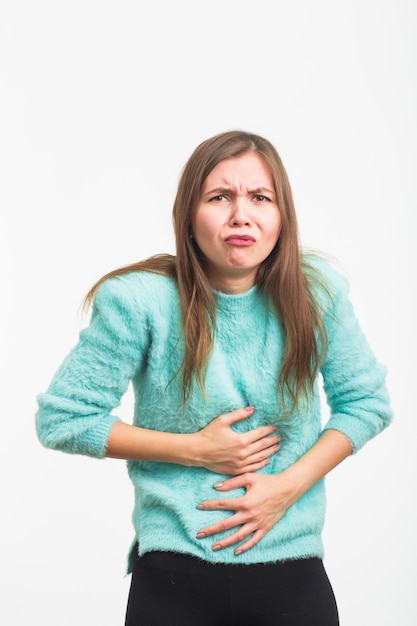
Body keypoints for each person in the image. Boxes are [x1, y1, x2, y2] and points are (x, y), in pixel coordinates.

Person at [36, 130, 392, 626]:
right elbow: (64, 419)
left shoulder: (317, 295)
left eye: (260, 198)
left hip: (292, 569)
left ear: (281, 215)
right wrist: (196, 450)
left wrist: (285, 489)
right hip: (174, 572)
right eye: (219, 197)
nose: (240, 215)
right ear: (189, 213)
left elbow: (366, 403)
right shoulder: (140, 301)